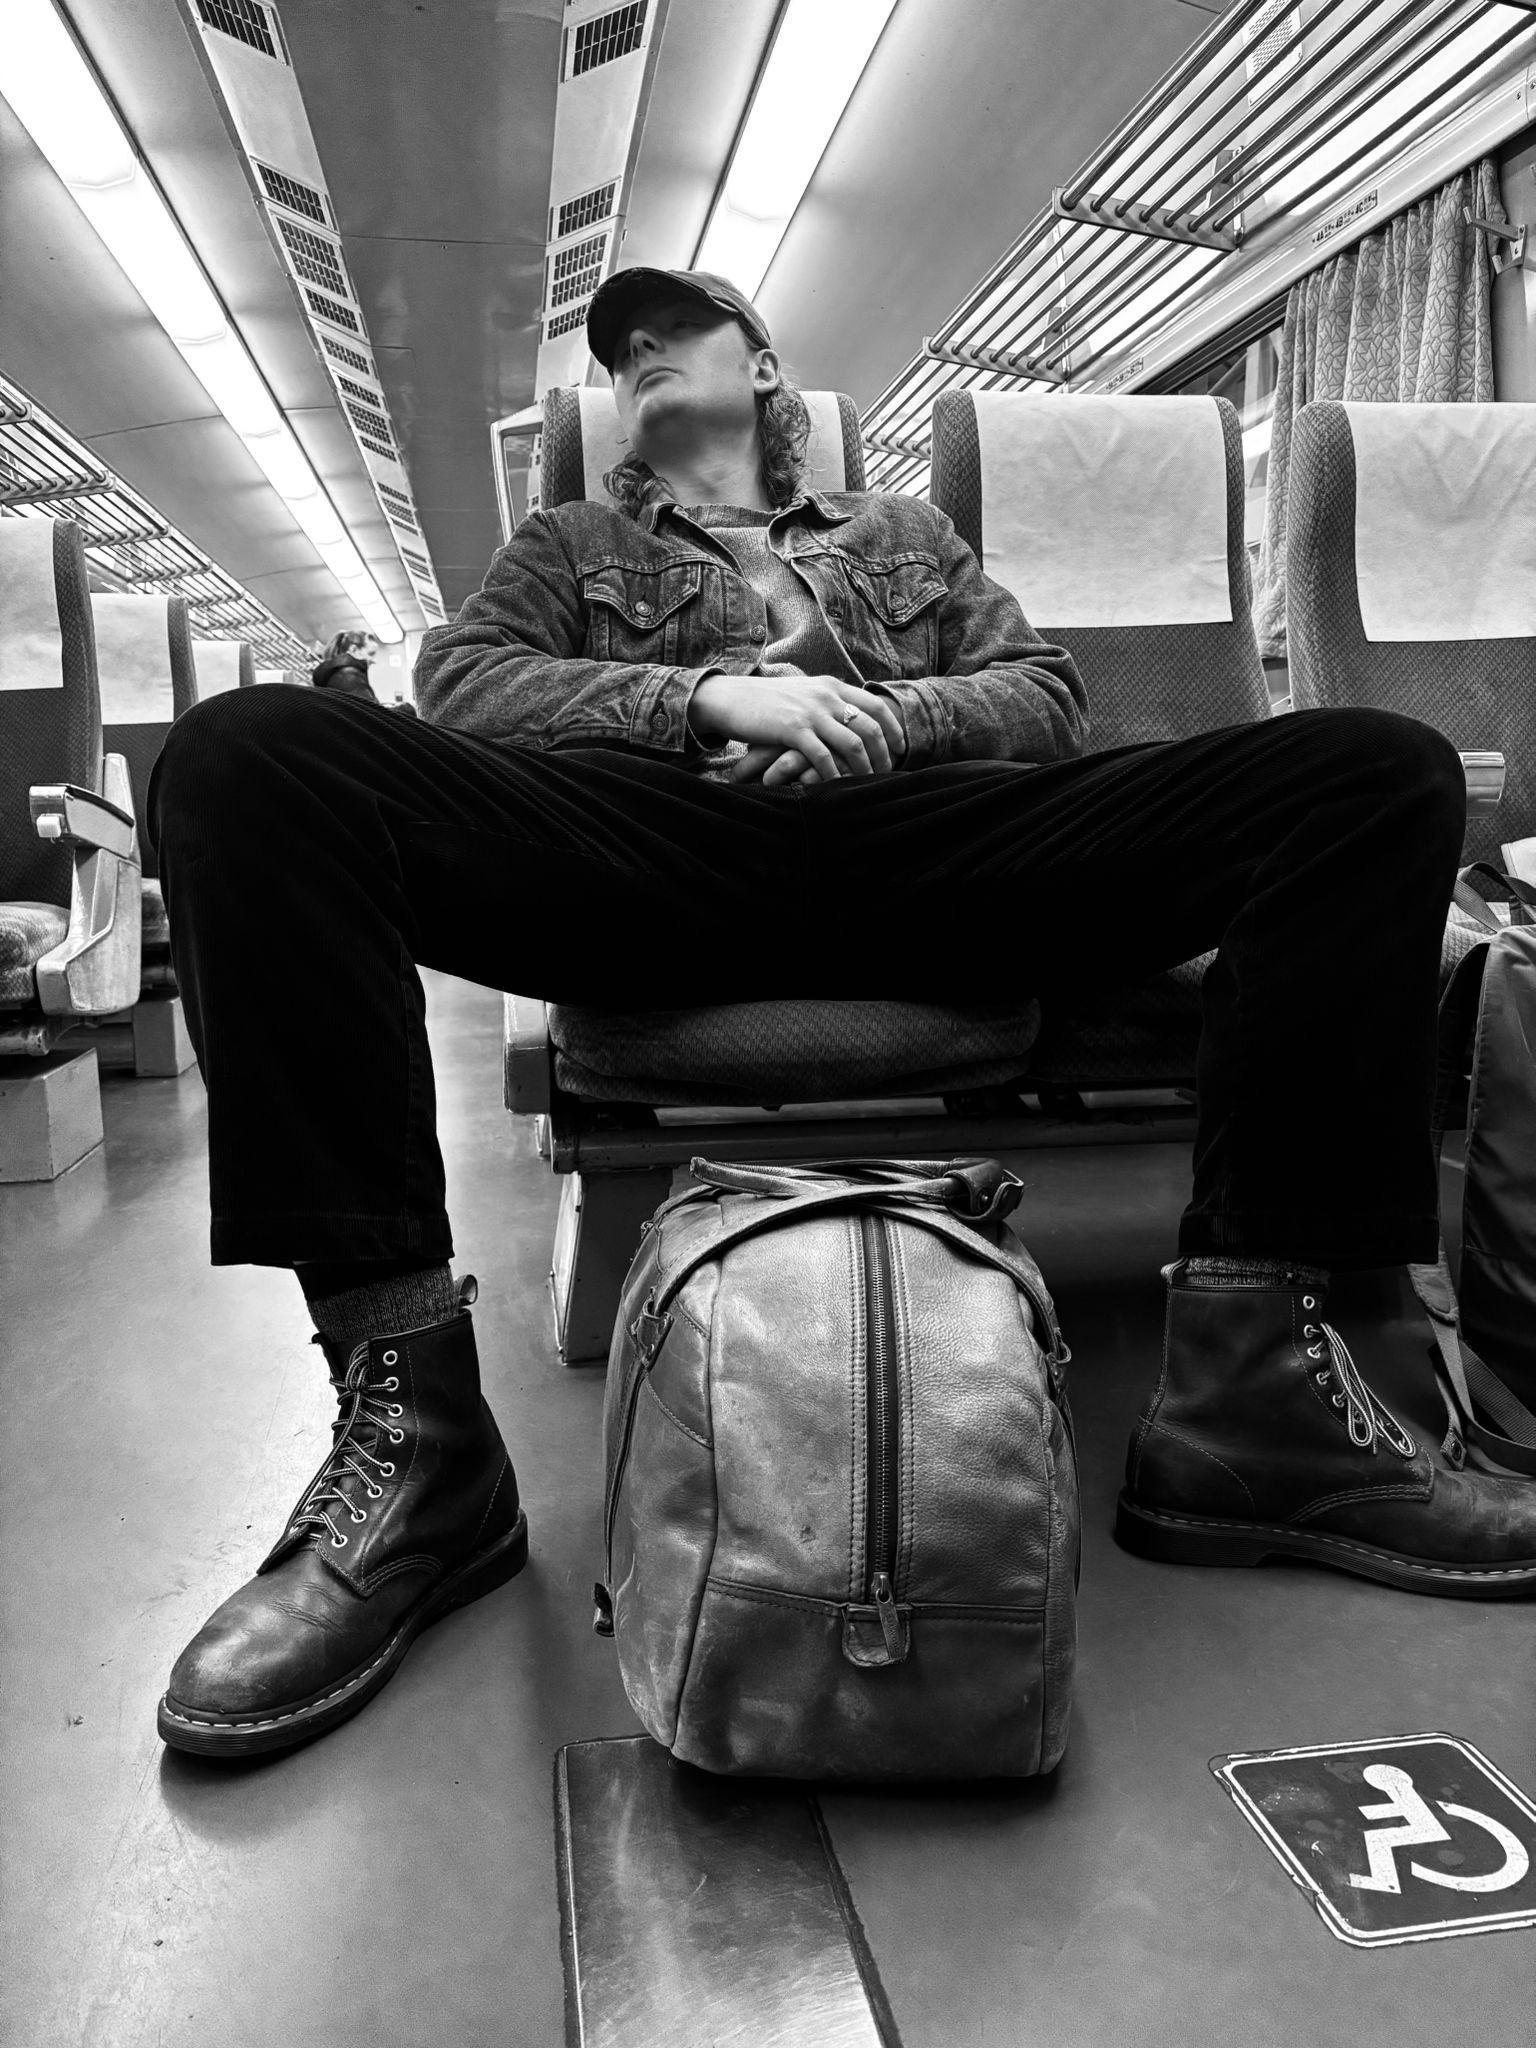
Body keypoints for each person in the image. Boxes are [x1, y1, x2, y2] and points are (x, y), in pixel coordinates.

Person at [149, 266, 1536, 1759]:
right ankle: (418, 1436)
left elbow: (1043, 695)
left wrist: (879, 722)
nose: (639, 358)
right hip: (658, 846)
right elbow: (467, 685)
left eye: (674, 333)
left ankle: (1250, 1402)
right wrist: (710, 701)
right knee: (245, 759)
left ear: (763, 366)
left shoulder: (903, 531)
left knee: (1370, 772)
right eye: (620, 356)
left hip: (923, 843)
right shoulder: (572, 542)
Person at [311, 629, 380, 701]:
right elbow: (366, 706)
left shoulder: (335, 673)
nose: (374, 660)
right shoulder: (349, 677)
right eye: (371, 654)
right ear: (353, 649)